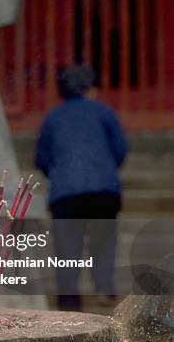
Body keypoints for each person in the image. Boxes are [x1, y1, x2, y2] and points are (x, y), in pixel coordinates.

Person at [35, 65, 127, 311]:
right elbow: (119, 150)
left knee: (67, 245)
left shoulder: (53, 117)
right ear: (90, 90)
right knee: (104, 240)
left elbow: (41, 157)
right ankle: (104, 288)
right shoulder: (105, 113)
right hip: (104, 189)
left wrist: (58, 173)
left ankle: (68, 298)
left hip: (65, 192)